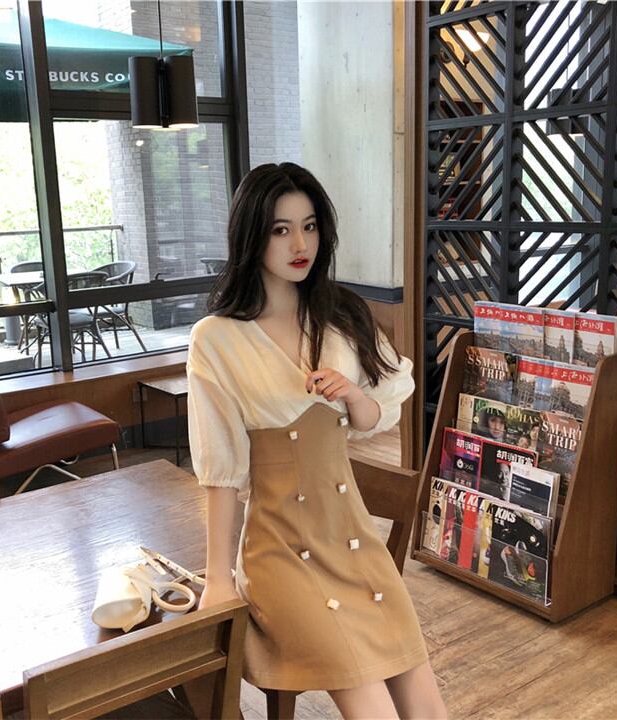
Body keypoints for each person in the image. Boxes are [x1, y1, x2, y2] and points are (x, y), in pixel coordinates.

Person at [187, 163, 447, 719]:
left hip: (351, 535)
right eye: (280, 230)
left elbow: (378, 414)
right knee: (367, 696)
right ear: (251, 236)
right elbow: (221, 470)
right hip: (279, 550)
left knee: (421, 690)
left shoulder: (340, 313)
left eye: (309, 226)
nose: (300, 244)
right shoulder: (216, 339)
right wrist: (218, 579)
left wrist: (351, 395)